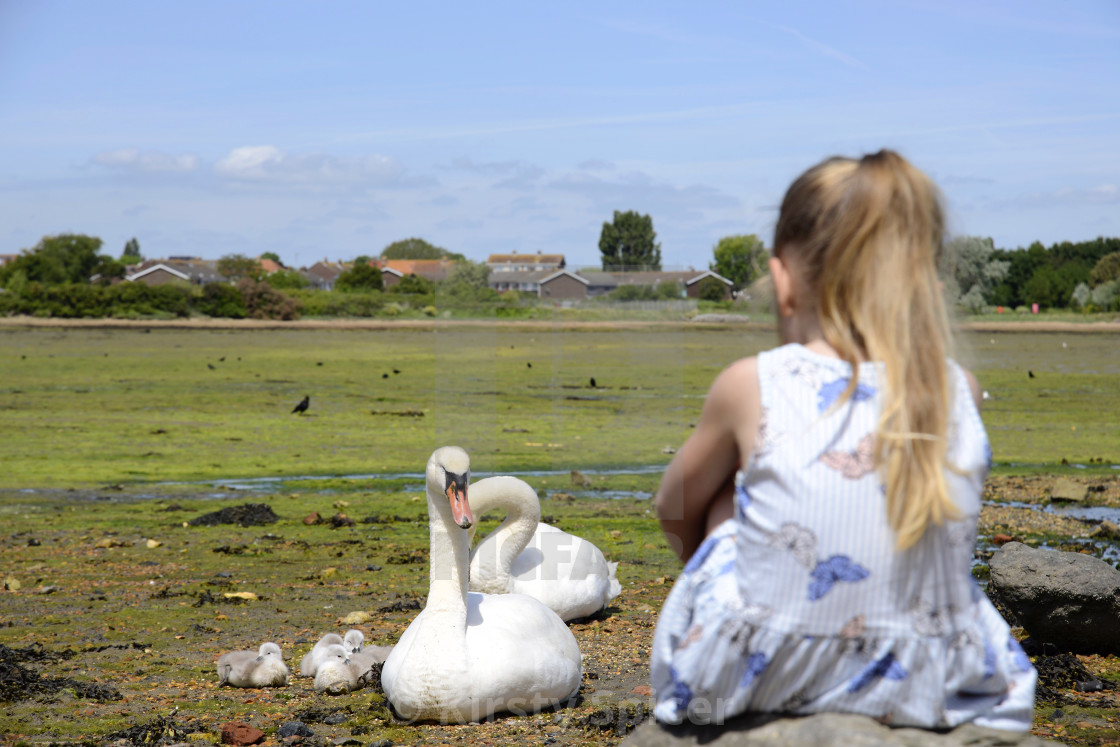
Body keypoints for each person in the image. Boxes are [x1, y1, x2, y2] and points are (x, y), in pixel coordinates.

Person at [650, 150, 1036, 731]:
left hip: (753, 670)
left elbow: (671, 506)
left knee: (729, 499)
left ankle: (751, 621)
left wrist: (715, 561)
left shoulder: (752, 384)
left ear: (783, 282)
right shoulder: (958, 389)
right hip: (934, 674)